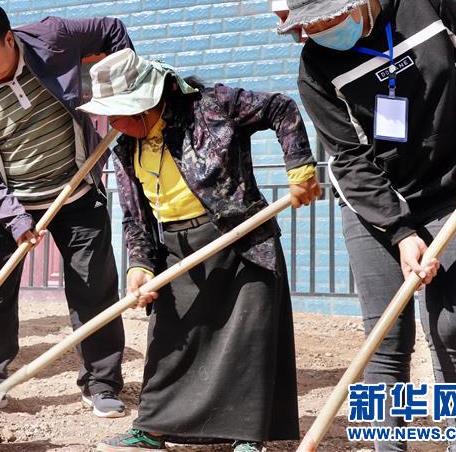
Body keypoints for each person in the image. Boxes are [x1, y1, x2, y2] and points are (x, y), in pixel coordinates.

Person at [279, 0, 456, 452]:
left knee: (450, 327)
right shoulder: (315, 67)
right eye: (311, 27)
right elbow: (347, 159)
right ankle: (388, 448)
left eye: (329, 20)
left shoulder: (423, 2)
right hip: (374, 206)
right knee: (384, 341)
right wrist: (399, 231)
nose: (322, 33)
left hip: (454, 192)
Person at [80, 49, 320, 451]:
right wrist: (138, 266)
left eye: (118, 114)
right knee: (169, 341)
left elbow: (280, 108)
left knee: (246, 340)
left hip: (239, 241)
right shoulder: (125, 148)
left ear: (146, 105)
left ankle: (247, 438)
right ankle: (154, 429)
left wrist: (299, 166)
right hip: (176, 250)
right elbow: (135, 218)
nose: (111, 124)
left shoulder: (210, 107)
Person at [0, 0, 131, 418]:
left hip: (75, 189)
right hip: (9, 201)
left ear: (9, 39)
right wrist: (14, 218)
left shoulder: (54, 38)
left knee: (93, 288)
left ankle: (101, 383)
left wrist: (123, 93)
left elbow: (111, 30)